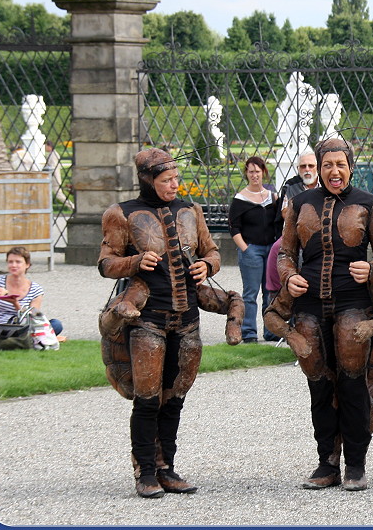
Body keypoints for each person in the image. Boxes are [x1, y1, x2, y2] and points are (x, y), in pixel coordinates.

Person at [98, 147, 221, 498]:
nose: (173, 185)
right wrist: (134, 261)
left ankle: (167, 466)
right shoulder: (121, 213)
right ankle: (145, 471)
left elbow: (212, 252)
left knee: (175, 397)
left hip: (187, 320)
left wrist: (208, 266)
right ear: (148, 180)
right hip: (146, 318)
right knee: (148, 398)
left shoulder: (190, 210)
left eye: (176, 179)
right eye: (166, 180)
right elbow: (106, 263)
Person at [277, 137, 373, 492]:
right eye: (327, 165)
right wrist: (289, 276)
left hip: (353, 304)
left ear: (350, 167)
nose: (334, 171)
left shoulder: (369, 203)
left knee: (352, 385)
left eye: (340, 165)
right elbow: (285, 253)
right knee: (318, 386)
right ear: (318, 167)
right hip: (309, 306)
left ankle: (356, 464)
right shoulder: (299, 203)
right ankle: (326, 461)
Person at [228, 156, 279, 343]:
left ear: (263, 172)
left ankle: (270, 330)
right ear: (246, 174)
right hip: (252, 250)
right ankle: (249, 332)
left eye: (258, 171)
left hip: (270, 249)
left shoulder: (272, 196)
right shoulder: (241, 199)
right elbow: (234, 227)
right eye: (251, 171)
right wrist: (245, 249)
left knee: (270, 291)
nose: (255, 175)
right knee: (250, 293)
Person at [0, 246, 64, 338]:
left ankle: (17, 339)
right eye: (10, 262)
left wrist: (16, 304)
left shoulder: (35, 289)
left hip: (22, 327)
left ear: (27, 264)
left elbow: (33, 318)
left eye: (18, 262)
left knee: (56, 324)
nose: (13, 265)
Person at [274, 150, 320, 236]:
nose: (307, 169)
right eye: (303, 166)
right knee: (276, 248)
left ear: (317, 167)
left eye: (311, 166)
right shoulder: (290, 186)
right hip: (296, 233)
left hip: (322, 232)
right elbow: (284, 213)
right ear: (297, 168)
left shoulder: (325, 184)